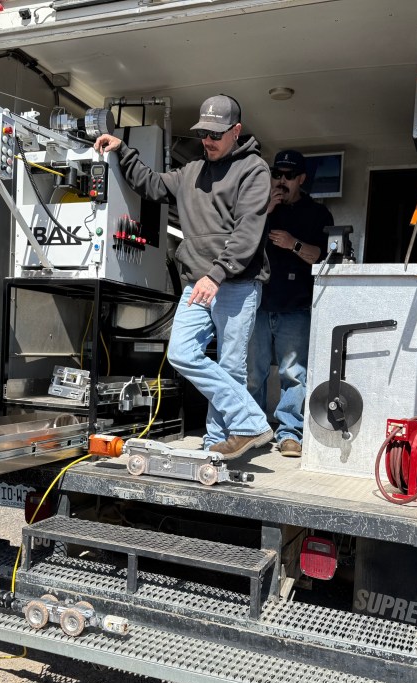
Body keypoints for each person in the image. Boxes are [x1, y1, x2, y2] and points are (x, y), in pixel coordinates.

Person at [94, 94, 273, 461]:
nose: (208, 140)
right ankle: (250, 422)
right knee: (182, 353)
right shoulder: (191, 171)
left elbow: (247, 233)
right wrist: (122, 149)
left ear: (236, 131)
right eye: (203, 132)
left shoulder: (254, 170)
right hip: (198, 281)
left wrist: (217, 275)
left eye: (216, 134)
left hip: (236, 284)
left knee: (229, 366)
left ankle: (215, 446)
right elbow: (152, 184)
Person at [247, 149, 334, 458]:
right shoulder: (260, 206)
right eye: (276, 175)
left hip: (296, 306)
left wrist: (292, 243)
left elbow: (321, 257)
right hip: (258, 303)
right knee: (254, 374)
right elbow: (240, 242)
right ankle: (253, 431)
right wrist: (265, 209)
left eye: (287, 176)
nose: (280, 181)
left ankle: (288, 433)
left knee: (293, 374)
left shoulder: (318, 214)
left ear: (301, 179)